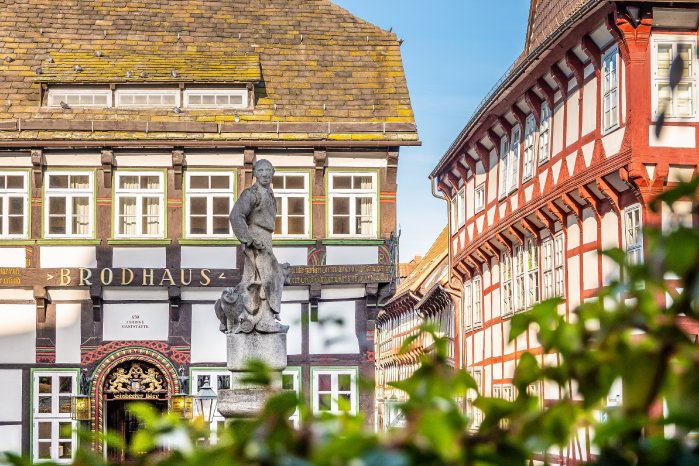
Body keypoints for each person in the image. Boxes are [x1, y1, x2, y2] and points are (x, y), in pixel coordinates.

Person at [229, 159, 289, 333]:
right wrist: (248, 239)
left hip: (265, 238)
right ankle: (264, 320)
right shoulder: (251, 193)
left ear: (273, 173)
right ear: (254, 173)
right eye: (261, 170)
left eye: (268, 170)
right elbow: (236, 215)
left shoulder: (269, 193)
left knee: (261, 279)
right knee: (270, 277)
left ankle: (258, 318)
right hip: (256, 238)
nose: (265, 174)